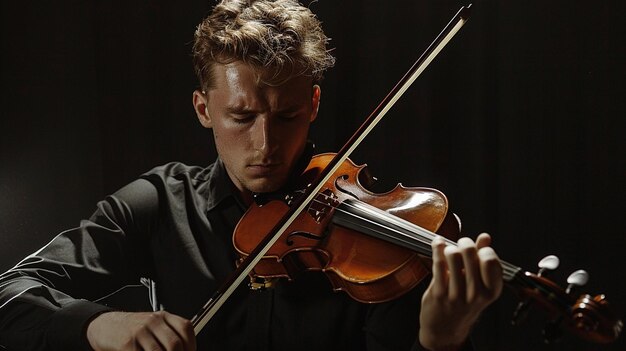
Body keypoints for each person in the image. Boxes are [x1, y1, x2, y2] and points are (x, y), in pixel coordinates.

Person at [0, 1, 503, 350]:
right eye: (241, 117)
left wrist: (440, 341)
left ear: (313, 104)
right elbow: (11, 295)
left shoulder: (376, 245)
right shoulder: (157, 204)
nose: (265, 145)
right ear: (203, 108)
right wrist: (97, 325)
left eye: (286, 117)